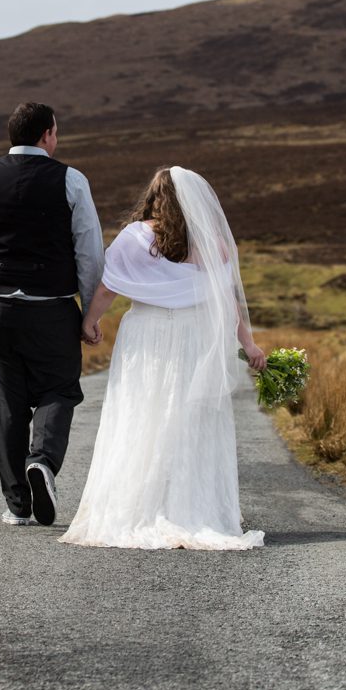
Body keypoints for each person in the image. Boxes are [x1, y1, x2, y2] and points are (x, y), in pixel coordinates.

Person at [60, 165, 266, 550]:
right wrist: (250, 345)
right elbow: (229, 303)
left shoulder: (135, 238)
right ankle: (195, 508)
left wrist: (90, 321)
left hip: (147, 337)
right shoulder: (211, 246)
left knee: (143, 414)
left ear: (154, 198)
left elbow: (107, 287)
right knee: (189, 418)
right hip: (193, 337)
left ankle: (137, 506)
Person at [0, 102, 104, 526]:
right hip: (52, 308)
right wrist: (90, 314)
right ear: (46, 136)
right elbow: (89, 252)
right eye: (55, 132)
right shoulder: (71, 180)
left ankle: (17, 505)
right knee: (59, 389)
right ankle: (42, 462)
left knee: (9, 404)